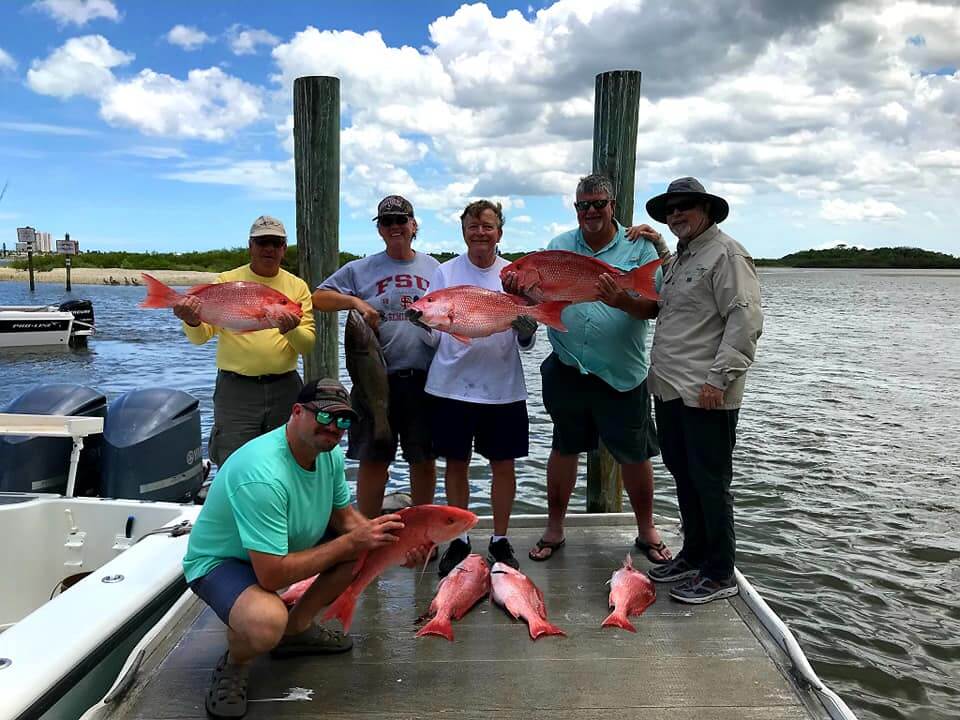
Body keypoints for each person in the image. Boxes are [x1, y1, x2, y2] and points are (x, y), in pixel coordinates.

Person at [183, 378, 430, 719]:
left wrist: (396, 545)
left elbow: (345, 518)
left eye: (343, 421)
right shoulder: (263, 475)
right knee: (265, 622)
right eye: (324, 417)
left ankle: (296, 631)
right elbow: (271, 576)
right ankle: (236, 664)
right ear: (296, 412)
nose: (333, 429)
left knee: (356, 550)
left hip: (280, 550)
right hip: (225, 562)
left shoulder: (327, 455)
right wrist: (350, 543)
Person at [502, 173, 672, 565]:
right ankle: (555, 528)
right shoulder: (558, 247)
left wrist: (621, 301)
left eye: (599, 203)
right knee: (564, 447)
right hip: (568, 367)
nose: (591, 211)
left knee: (634, 454)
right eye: (584, 205)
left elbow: (654, 308)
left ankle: (646, 529)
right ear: (575, 208)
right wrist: (520, 292)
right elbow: (544, 304)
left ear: (613, 205)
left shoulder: (639, 246)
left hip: (622, 373)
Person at [642, 177, 763, 604]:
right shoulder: (680, 259)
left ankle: (719, 571)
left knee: (711, 482)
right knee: (683, 475)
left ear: (707, 210)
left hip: (707, 392)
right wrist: (657, 245)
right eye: (670, 209)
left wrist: (719, 379)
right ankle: (693, 555)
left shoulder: (727, 255)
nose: (677, 214)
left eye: (686, 206)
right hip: (671, 389)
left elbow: (745, 320)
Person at [426, 200, 537, 576]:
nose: (480, 233)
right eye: (473, 226)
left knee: (503, 465)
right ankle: (459, 539)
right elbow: (430, 325)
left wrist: (527, 327)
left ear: (499, 233)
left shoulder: (514, 276)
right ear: (463, 231)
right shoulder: (444, 273)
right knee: (455, 463)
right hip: (450, 386)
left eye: (487, 226)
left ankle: (500, 539)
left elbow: (527, 343)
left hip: (503, 388)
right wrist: (420, 323)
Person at [312, 196, 438, 518]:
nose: (395, 227)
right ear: (379, 230)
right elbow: (318, 297)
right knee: (373, 460)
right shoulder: (360, 269)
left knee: (422, 460)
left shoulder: (435, 268)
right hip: (372, 380)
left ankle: (421, 533)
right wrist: (355, 303)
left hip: (423, 381)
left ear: (414, 225)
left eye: (401, 220)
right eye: (387, 222)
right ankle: (366, 534)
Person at [173, 215, 315, 468]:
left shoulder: (297, 287)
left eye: (275, 242)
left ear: (284, 248)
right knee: (233, 461)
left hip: (285, 387)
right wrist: (192, 320)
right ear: (250, 246)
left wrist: (290, 330)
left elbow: (307, 345)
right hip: (235, 390)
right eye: (262, 242)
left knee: (286, 460)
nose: (269, 248)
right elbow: (200, 337)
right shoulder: (226, 281)